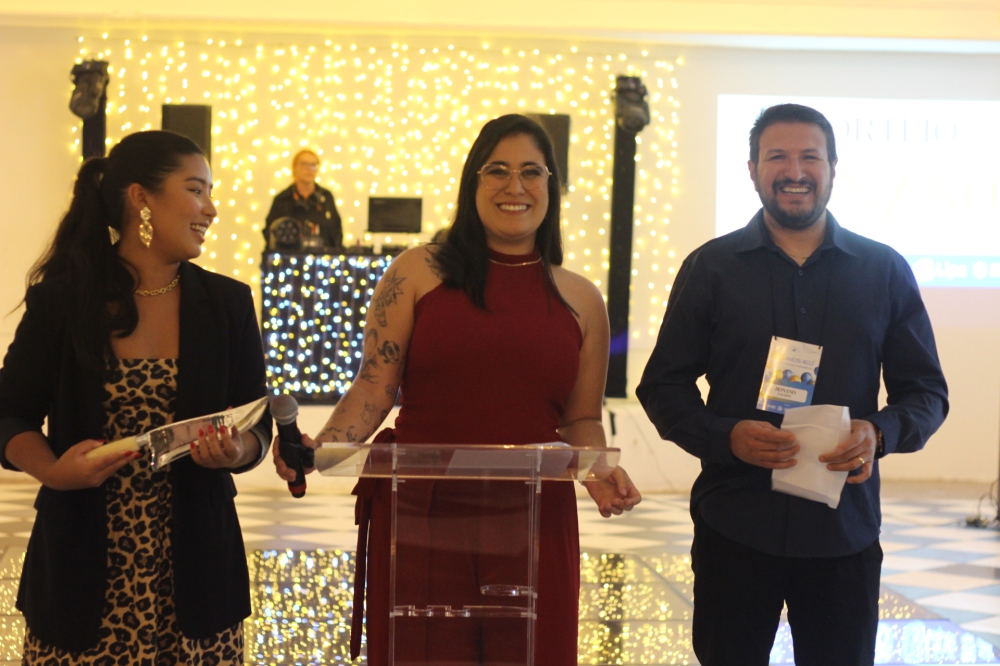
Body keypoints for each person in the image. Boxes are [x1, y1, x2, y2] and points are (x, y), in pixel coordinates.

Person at [273, 113, 642, 664]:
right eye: (497, 170)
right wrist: (318, 450)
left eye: (531, 172)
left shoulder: (582, 299)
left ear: (551, 186)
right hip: (422, 511)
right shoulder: (416, 272)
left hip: (536, 518)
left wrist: (597, 472)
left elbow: (580, 420)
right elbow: (374, 386)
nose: (514, 186)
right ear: (473, 182)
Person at [636, 103, 949, 666]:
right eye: (777, 156)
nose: (795, 171)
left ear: (833, 168)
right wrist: (725, 436)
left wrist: (878, 433)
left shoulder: (883, 270)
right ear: (752, 170)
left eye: (810, 157)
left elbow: (926, 393)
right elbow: (663, 386)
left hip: (843, 532)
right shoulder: (711, 268)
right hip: (735, 524)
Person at [0, 130, 272, 663]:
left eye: (210, 192)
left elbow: (256, 420)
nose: (211, 209)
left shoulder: (227, 303)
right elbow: (9, 413)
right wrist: (53, 471)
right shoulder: (62, 301)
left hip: (198, 572)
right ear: (141, 198)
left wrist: (237, 450)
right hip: (81, 567)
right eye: (196, 190)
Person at [263, 149, 342, 249]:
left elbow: (337, 232)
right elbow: (270, 234)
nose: (309, 169)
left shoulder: (326, 197)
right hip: (290, 255)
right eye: (305, 164)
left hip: (322, 255)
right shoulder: (282, 199)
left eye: (313, 165)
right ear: (294, 168)